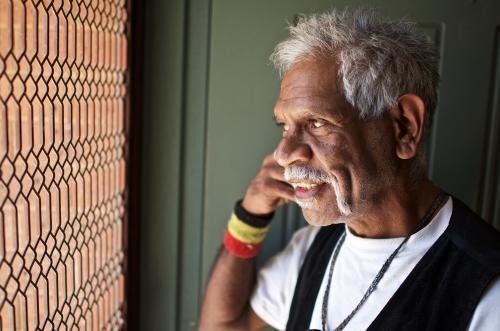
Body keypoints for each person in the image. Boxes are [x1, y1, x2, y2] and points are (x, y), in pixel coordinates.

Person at [199, 8, 500, 331]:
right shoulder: (314, 245)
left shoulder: (486, 291)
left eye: (316, 122)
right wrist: (248, 219)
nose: (284, 153)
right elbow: (224, 326)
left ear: (404, 127)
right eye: (285, 127)